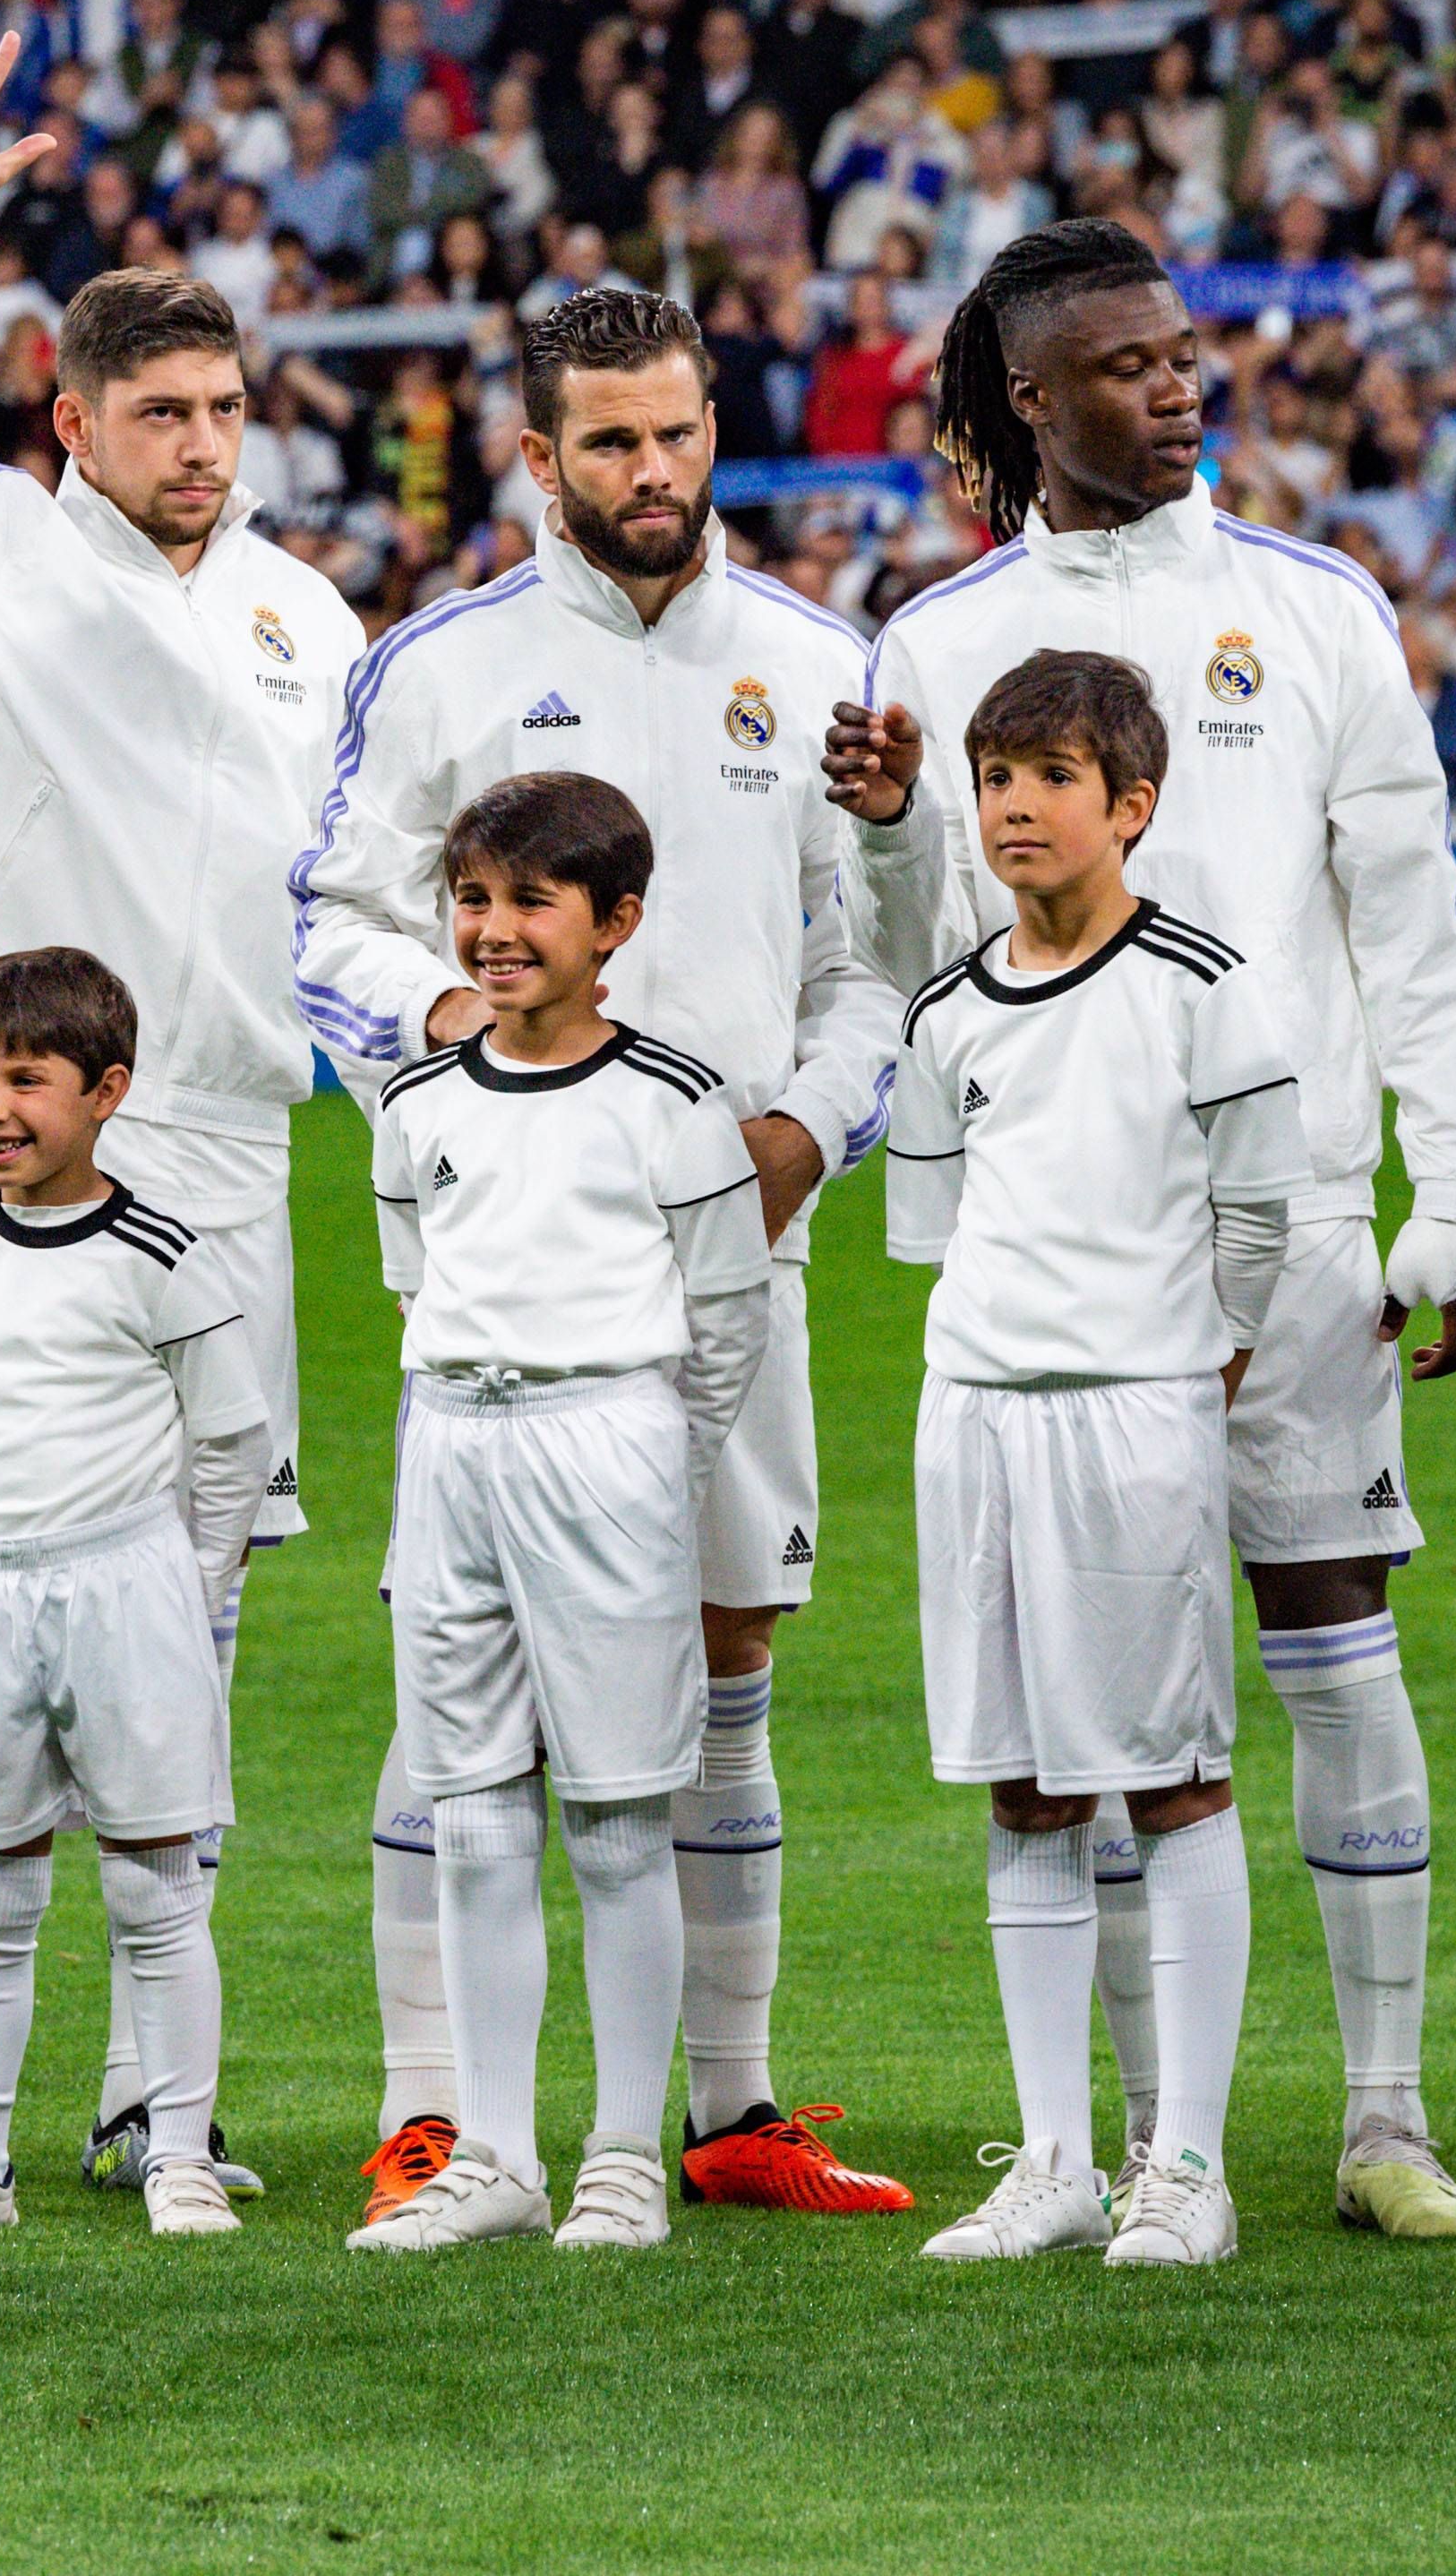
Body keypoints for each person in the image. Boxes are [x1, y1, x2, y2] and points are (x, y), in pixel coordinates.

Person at [826, 219, 1456, 2241]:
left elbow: (1413, 921)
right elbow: (912, 972)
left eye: (1183, 350)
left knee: (1330, 1649)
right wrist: (875, 841)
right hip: (1062, 1267)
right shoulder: (940, 647)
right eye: (1123, 364)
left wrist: (1452, 1192)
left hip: (1286, 1236)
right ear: (1029, 401)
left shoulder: (1313, 609)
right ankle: (1126, 2141)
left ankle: (1382, 2116)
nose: (1176, 383)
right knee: (1079, 1711)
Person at [0, 3, 355, 2192]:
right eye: (161, 413)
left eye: (224, 411)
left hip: (226, 1156)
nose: (201, 446)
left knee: (183, 1642)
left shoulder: (308, 611)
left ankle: (142, 2102)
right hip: (19, 1160)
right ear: (71, 415)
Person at [292, 286, 904, 2225]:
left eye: (681, 430)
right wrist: (451, 1045)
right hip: (510, 1264)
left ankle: (724, 2107)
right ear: (538, 458)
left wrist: (802, 1130)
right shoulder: (441, 663)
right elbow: (326, 918)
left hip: (736, 1251)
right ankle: (435, 2108)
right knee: (452, 1688)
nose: (655, 473)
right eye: (610, 443)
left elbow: (872, 953)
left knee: (730, 1660)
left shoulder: (820, 664)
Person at [890, 653, 1309, 2272]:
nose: (1014, 805)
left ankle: (1185, 2165)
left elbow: (1262, 1205)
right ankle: (1056, 2158)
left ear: (1132, 804)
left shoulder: (1202, 983)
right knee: (1024, 1783)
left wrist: (1199, 1351)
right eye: (995, 776)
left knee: (1177, 1776)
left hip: (1137, 1414)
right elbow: (927, 1227)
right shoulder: (945, 1012)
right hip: (977, 1414)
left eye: (1053, 777)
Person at [345, 776, 769, 2256]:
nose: (495, 930)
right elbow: (414, 1281)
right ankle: (498, 2155)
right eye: (473, 899)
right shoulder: (413, 1101)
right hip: (449, 1438)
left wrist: (644, 1453)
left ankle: (620, 2153)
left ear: (618, 924)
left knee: (609, 1820)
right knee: (468, 1814)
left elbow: (725, 1325)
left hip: (609, 1438)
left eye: (533, 902)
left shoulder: (673, 1100)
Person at [0, 946, 262, 2244]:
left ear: (107, 1091)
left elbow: (235, 1443)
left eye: (25, 1078)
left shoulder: (161, 1251)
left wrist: (186, 1598)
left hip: (130, 1586)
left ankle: (180, 2155)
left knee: (155, 1887)